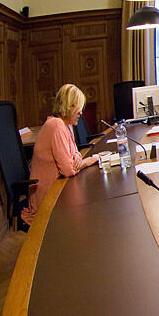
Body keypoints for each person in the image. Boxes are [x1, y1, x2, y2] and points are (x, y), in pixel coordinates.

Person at [22, 84, 99, 227]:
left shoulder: (66, 125)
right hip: (49, 196)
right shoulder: (56, 125)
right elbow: (68, 170)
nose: (81, 113)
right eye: (78, 107)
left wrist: (77, 158)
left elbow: (75, 152)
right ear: (69, 106)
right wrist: (89, 161)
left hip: (60, 186)